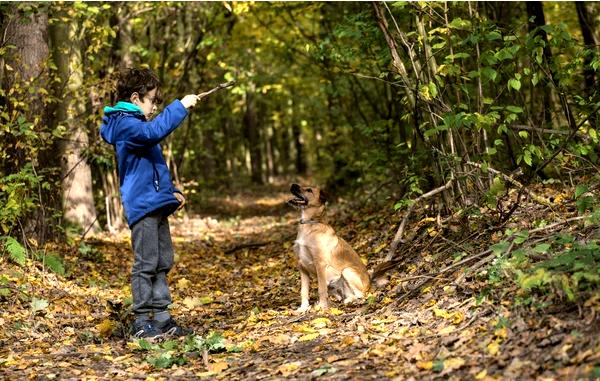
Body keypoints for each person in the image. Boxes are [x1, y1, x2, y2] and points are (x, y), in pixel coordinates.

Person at [100, 67, 199, 340]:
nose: (155, 106)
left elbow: (153, 166)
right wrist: (179, 106)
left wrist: (172, 192)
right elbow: (153, 132)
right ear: (135, 98)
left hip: (155, 202)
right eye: (152, 100)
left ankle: (163, 318)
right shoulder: (124, 124)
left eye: (157, 102)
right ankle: (142, 321)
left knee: (163, 259)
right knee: (146, 263)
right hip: (142, 206)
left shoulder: (138, 126)